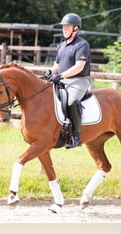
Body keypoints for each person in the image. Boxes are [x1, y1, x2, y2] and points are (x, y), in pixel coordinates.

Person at [44, 13, 92, 149]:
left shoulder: (82, 44)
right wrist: (50, 71)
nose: (64, 29)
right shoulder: (62, 46)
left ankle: (76, 136)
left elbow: (79, 66)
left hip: (78, 81)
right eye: (64, 26)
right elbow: (57, 66)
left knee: (71, 101)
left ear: (76, 28)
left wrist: (61, 75)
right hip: (63, 80)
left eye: (68, 26)